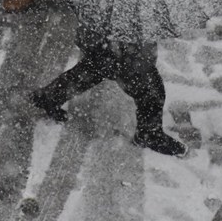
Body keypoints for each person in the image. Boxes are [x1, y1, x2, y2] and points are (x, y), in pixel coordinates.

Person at [29, 25, 186, 156]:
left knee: (94, 68)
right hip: (122, 45)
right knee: (150, 91)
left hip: (105, 37)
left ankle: (49, 97)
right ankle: (149, 134)